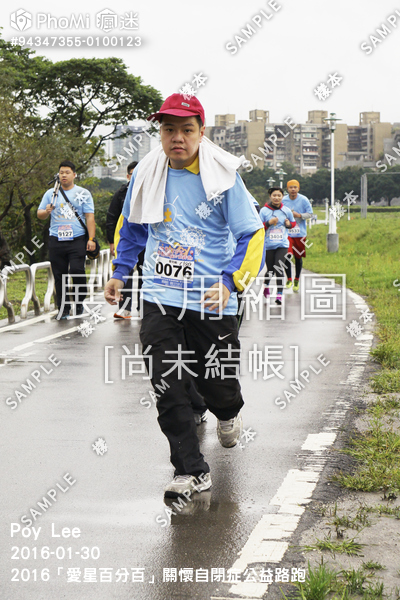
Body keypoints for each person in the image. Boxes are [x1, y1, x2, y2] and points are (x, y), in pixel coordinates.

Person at [104, 93, 264, 499]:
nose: (177, 137)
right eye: (169, 129)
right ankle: (190, 470)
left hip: (212, 299)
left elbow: (252, 233)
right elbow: (131, 227)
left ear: (201, 132)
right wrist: (120, 272)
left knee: (216, 383)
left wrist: (229, 282)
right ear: (160, 133)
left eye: (186, 129)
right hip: (161, 297)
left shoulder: (223, 177)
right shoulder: (146, 174)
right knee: (168, 385)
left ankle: (228, 411)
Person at [37, 161, 96, 320]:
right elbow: (40, 214)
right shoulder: (51, 194)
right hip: (56, 239)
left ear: (74, 175)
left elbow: (90, 217)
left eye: (67, 172)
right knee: (59, 275)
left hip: (77, 239)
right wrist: (46, 211)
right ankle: (63, 307)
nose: (64, 175)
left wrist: (91, 239)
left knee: (77, 270)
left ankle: (79, 301)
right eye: (61, 172)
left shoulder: (83, 193)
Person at [106, 161, 141, 318]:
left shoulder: (152, 191)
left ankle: (143, 306)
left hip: (147, 242)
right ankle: (125, 308)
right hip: (126, 240)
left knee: (145, 273)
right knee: (124, 273)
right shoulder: (121, 194)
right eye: (133, 174)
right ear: (128, 176)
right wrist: (112, 242)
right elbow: (111, 217)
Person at [259, 188, 296, 305]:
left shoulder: (286, 210)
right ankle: (266, 286)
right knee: (270, 270)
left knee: (279, 268)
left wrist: (288, 225)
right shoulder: (264, 211)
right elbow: (259, 227)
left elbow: (293, 223)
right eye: (274, 195)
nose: (276, 198)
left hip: (282, 244)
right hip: (268, 245)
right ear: (270, 196)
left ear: (282, 197)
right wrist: (269, 223)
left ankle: (279, 295)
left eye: (279, 195)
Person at [282, 180, 313, 292]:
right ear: (287, 189)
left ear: (298, 189)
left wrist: (299, 215)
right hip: (287, 233)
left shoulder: (304, 200)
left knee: (298, 257)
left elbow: (310, 214)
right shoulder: (283, 200)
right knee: (287, 255)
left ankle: (296, 279)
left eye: (295, 187)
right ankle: (289, 279)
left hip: (300, 233)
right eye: (290, 187)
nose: (293, 189)